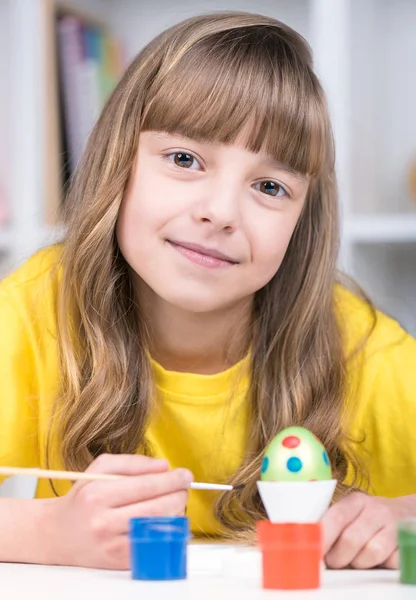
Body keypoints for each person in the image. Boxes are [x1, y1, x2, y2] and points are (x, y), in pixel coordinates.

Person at [0, 11, 415, 571]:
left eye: (269, 187)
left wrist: (403, 518)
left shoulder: (366, 351)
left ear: (302, 222)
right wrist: (43, 532)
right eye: (184, 159)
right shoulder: (32, 313)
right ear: (117, 161)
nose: (220, 213)